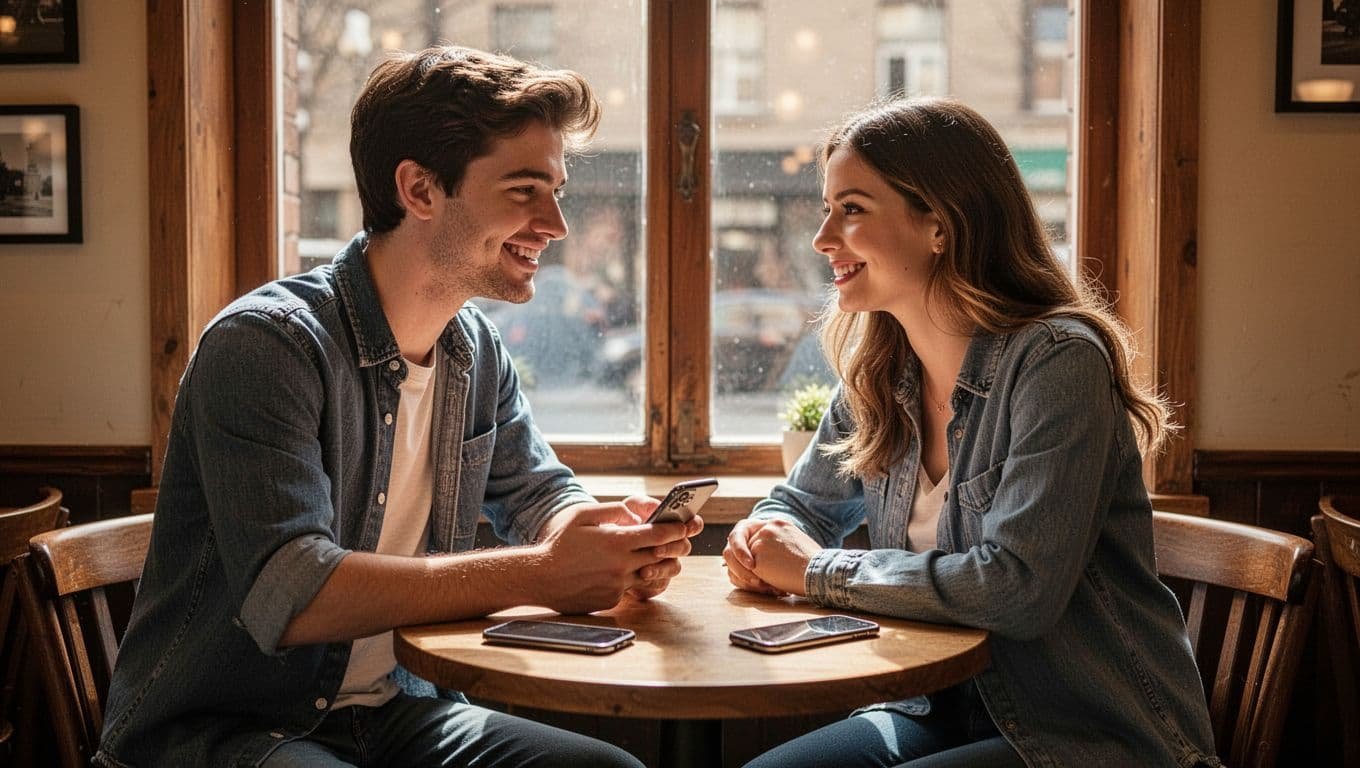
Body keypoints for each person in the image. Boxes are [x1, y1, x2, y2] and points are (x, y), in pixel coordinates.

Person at [96, 46, 700, 768]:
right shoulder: (265, 347)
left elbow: (540, 492)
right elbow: (295, 594)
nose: (555, 224)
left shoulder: (473, 349)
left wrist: (605, 541)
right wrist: (545, 573)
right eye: (524, 189)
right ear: (419, 189)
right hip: (222, 732)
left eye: (557, 191)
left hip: (398, 712)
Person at [723, 98, 1219, 768]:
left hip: (1083, 734)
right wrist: (759, 537)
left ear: (939, 223)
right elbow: (800, 505)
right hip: (932, 707)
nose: (823, 238)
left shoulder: (1057, 363)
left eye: (853, 209)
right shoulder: (880, 371)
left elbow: (1016, 588)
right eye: (826, 208)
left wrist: (816, 570)